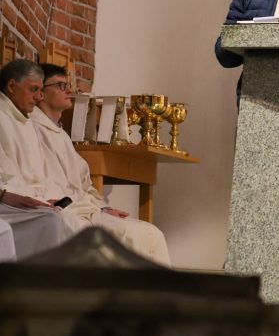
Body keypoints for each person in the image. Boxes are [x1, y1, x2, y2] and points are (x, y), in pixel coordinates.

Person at [0, 59, 170, 266]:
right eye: (60, 85)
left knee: (151, 233)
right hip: (40, 205)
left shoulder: (40, 127)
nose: (39, 96)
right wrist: (45, 201)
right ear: (12, 86)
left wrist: (101, 207)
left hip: (70, 206)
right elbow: (27, 180)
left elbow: (80, 183)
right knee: (66, 225)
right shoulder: (24, 123)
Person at [0, 59, 89, 257]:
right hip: (7, 201)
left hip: (26, 200)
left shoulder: (26, 121)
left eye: (41, 90)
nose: (39, 96)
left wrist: (44, 199)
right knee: (52, 221)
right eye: (33, 89)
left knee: (58, 217)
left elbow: (39, 176)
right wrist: (13, 196)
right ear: (12, 86)